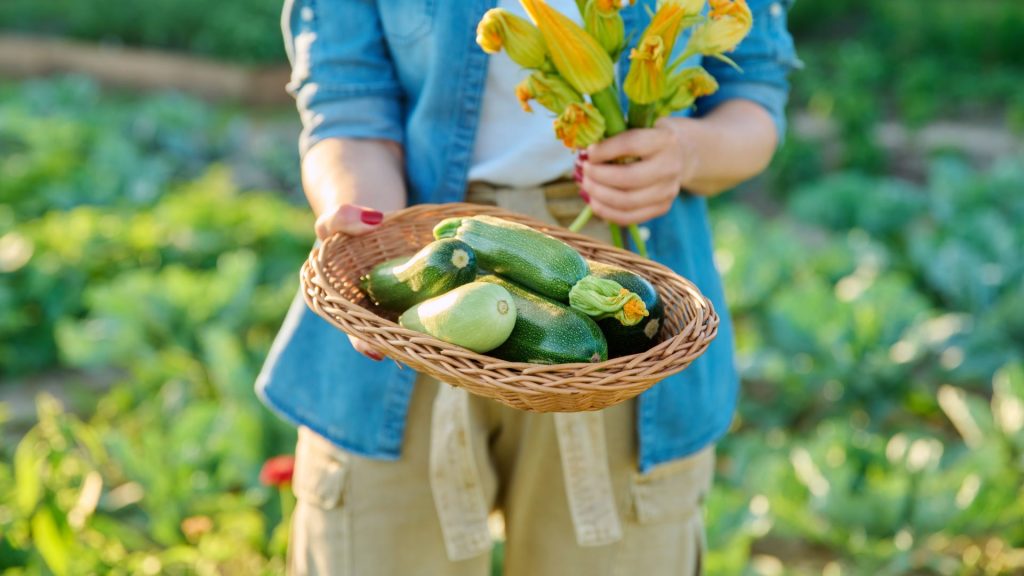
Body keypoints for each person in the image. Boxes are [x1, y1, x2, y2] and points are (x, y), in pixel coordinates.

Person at [256, 0, 799, 574]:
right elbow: (348, 106)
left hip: (617, 283)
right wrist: (381, 242)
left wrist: (685, 153)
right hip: (427, 241)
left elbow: (753, 98)